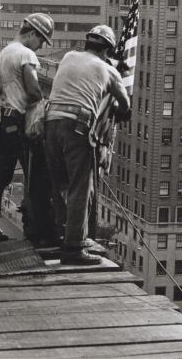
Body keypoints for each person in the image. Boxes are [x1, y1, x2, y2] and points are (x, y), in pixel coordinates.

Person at [45, 25, 130, 265]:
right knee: (80, 188)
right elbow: (124, 105)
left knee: (59, 184)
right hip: (77, 127)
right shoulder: (108, 70)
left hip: (50, 123)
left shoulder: (68, 57)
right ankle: (73, 248)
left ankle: (60, 235)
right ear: (107, 50)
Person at [0, 12, 56, 243]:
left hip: (3, 121)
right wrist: (46, 107)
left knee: (0, 177)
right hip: (20, 123)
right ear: (32, 33)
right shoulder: (25, 54)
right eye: (41, 40)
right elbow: (33, 91)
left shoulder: (5, 52)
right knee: (39, 176)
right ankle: (42, 233)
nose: (41, 46)